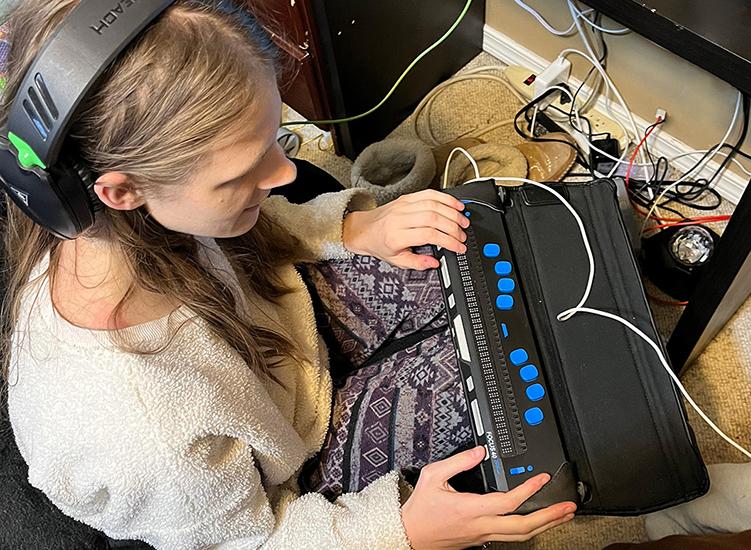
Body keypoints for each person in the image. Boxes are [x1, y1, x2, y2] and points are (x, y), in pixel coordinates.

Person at [0, 1, 577, 548]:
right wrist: (404, 533)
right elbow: (251, 542)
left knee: (479, 273)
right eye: (245, 171)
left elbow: (263, 222)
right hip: (287, 471)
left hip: (288, 331)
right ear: (120, 191)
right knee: (513, 394)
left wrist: (353, 230)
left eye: (274, 140)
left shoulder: (145, 210)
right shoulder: (143, 433)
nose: (285, 173)